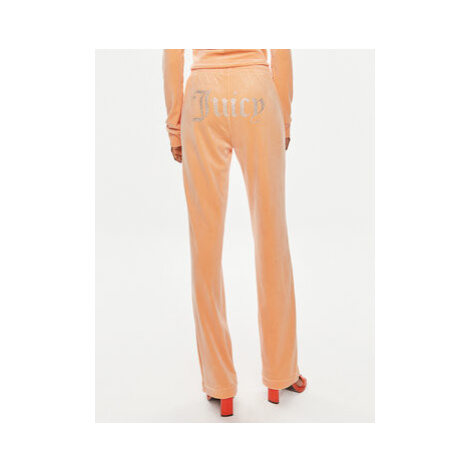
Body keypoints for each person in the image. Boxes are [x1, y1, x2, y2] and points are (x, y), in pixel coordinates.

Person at [163, 49, 306, 417]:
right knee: (271, 234)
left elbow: (172, 52)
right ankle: (280, 373)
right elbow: (282, 50)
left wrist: (175, 123)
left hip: (203, 97)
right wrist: (284, 119)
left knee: (204, 244)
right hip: (256, 93)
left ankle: (220, 384)